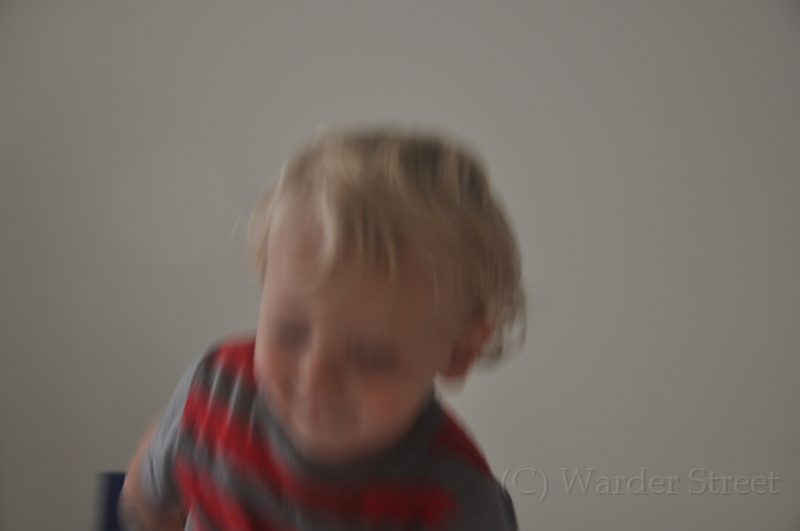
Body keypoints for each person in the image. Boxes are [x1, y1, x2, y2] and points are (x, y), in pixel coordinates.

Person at [119, 128, 526, 531]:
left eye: (371, 356)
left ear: (459, 352)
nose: (315, 378)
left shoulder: (456, 503)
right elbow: (147, 494)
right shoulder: (216, 392)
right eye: (289, 332)